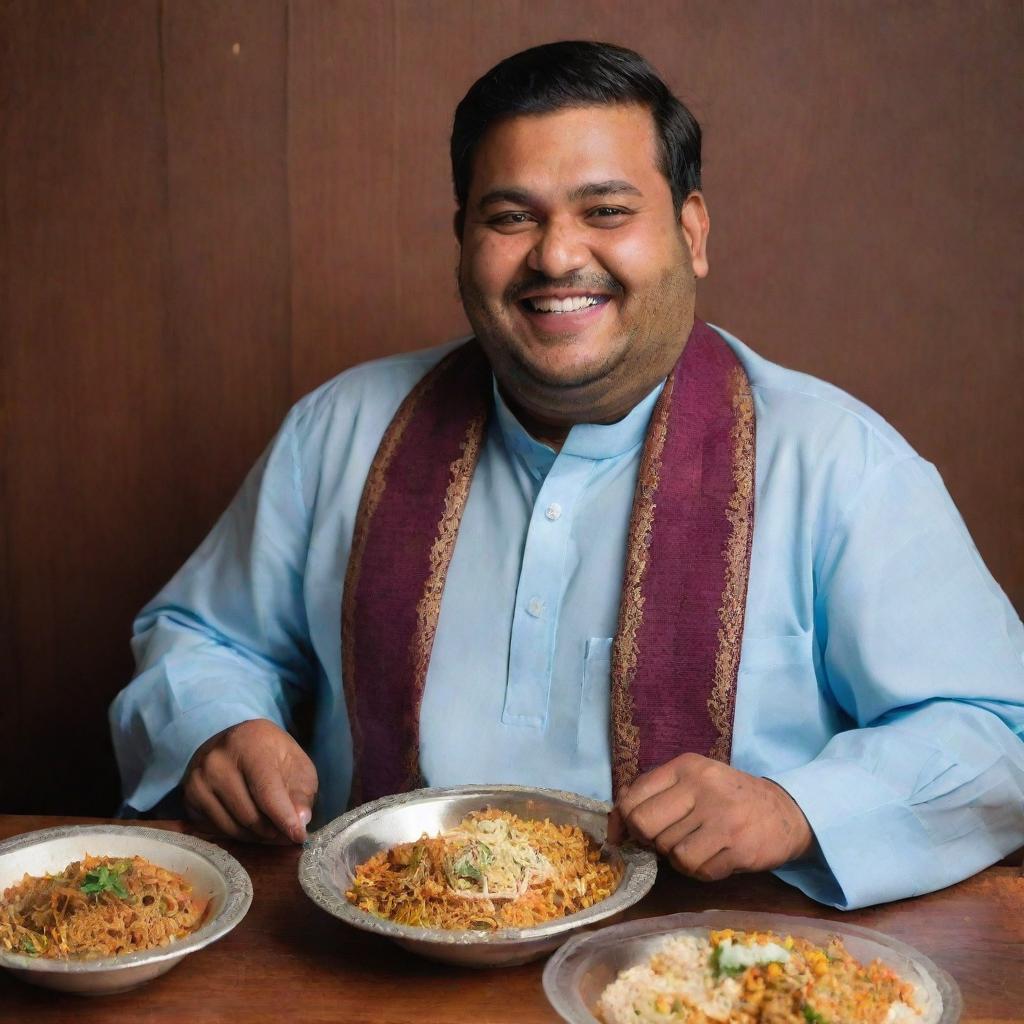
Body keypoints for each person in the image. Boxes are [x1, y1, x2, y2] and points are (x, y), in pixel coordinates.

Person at [109, 41, 1024, 911]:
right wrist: (222, 728)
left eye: (607, 211)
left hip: (697, 977)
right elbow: (201, 636)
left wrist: (797, 808)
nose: (555, 256)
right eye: (511, 216)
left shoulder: (836, 463)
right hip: (377, 965)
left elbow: (1001, 731)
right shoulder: (341, 432)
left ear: (692, 231)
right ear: (463, 239)